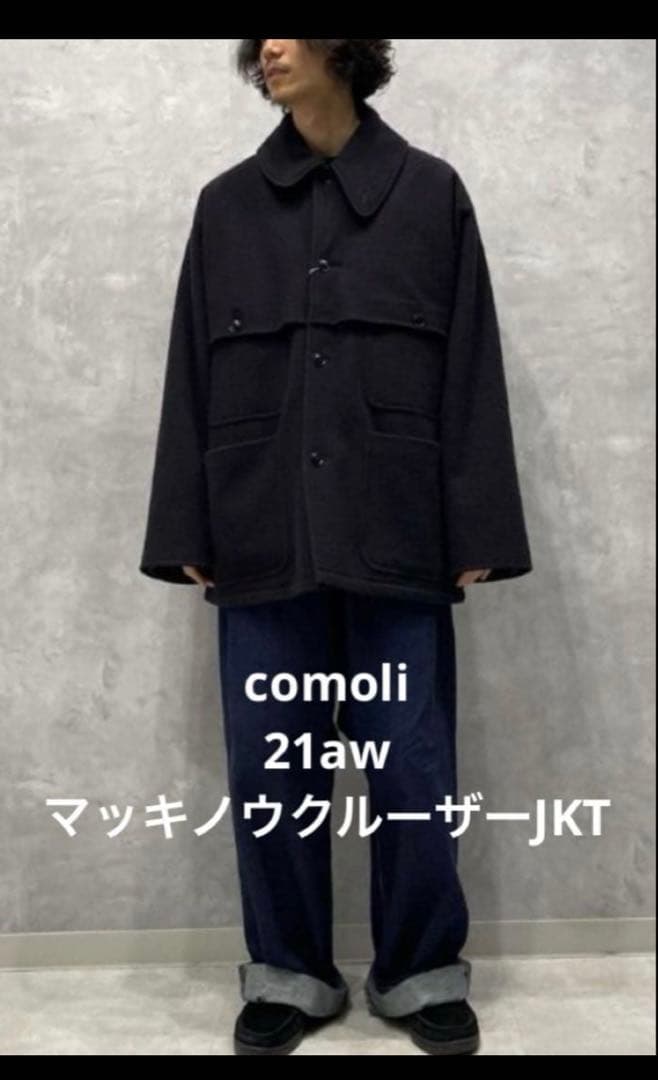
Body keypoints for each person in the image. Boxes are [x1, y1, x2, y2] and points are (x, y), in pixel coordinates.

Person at [139, 40, 533, 1055]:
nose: (269, 47)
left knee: (411, 766)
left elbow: (471, 366)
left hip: (399, 533)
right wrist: (183, 525)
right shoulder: (226, 207)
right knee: (272, 770)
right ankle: (288, 973)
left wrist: (478, 525)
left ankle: (419, 971)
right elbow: (191, 369)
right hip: (259, 533)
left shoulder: (431, 196)